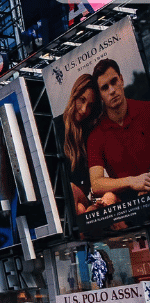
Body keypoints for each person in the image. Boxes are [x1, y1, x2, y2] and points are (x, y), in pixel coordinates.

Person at [87, 58, 150, 201]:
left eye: (114, 81)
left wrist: (146, 184)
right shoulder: (96, 136)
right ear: (100, 95)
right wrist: (132, 182)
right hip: (127, 209)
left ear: (121, 80)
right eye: (105, 87)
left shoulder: (147, 110)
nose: (112, 90)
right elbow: (96, 184)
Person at [62, 74, 118, 214]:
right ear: (74, 95)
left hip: (87, 195)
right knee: (78, 204)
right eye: (82, 100)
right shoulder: (56, 126)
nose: (83, 110)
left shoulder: (91, 132)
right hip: (64, 198)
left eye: (90, 105)